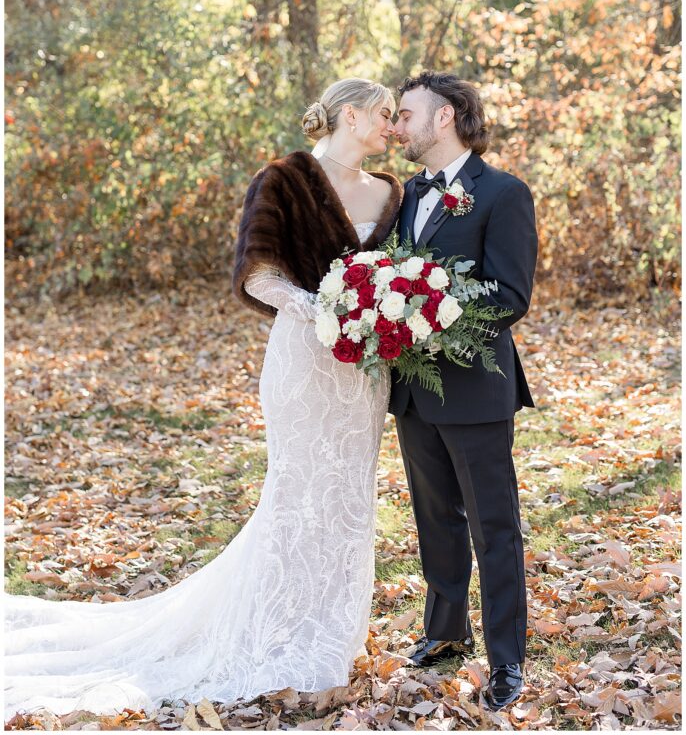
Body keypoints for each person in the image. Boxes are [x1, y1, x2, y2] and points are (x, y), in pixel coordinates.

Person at [4, 78, 402, 719]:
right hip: (304, 360)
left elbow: (400, 276)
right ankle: (277, 637)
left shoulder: (393, 192)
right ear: (349, 114)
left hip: (364, 374)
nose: (392, 126)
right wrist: (322, 311)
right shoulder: (284, 180)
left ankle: (330, 642)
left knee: (350, 499)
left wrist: (376, 320)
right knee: (298, 493)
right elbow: (260, 270)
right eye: (384, 114)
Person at [390, 70, 537, 712]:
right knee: (434, 519)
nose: (397, 126)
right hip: (412, 390)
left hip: (475, 389)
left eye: (405, 114)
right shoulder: (405, 196)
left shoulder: (502, 193)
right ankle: (447, 632)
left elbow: (510, 295)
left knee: (492, 524)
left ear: (444, 116)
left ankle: (507, 660)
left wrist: (431, 318)